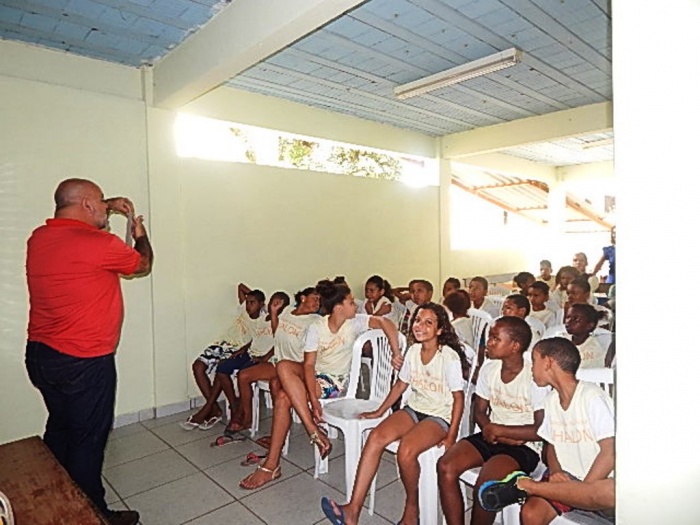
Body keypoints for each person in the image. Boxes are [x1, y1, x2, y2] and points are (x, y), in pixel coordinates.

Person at [25, 178, 153, 525]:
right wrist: (139, 234)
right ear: (86, 205)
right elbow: (142, 263)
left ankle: (55, 500)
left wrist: (108, 203)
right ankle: (93, 515)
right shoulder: (98, 243)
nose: (105, 210)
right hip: (83, 362)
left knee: (61, 429)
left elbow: (78, 207)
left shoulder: (39, 238)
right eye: (100, 203)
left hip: (41, 357)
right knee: (87, 442)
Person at [321, 303, 466, 525]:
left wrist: (451, 436)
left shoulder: (449, 357)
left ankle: (412, 507)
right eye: (417, 320)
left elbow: (459, 398)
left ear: (439, 330)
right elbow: (400, 385)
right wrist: (379, 411)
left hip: (439, 416)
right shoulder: (413, 351)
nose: (420, 326)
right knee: (375, 437)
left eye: (428, 323)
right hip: (414, 409)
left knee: (406, 451)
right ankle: (352, 510)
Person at [478, 337, 615, 524]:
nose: (531, 369)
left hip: (596, 483)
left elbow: (610, 451)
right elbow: (550, 445)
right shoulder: (551, 401)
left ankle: (527, 486)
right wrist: (556, 472)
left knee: (605, 491)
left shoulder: (591, 397)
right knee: (531, 513)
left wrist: (582, 490)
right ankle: (529, 487)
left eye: (534, 361)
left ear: (548, 362)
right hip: (565, 480)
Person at [437, 317, 549, 525]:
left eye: (496, 338)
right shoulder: (489, 369)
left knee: (485, 486)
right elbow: (479, 411)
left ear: (514, 346)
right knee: (445, 466)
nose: (488, 342)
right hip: (492, 435)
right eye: (490, 337)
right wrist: (491, 429)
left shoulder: (533, 377)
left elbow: (540, 429)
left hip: (524, 446)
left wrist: (502, 432)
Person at [277, 280, 401, 464]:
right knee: (283, 366)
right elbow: (309, 365)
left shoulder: (355, 322)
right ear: (338, 308)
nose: (355, 305)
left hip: (337, 382)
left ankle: (276, 460)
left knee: (283, 396)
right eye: (350, 302)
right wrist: (313, 400)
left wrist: (396, 352)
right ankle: (312, 429)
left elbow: (385, 322)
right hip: (317, 376)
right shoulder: (317, 327)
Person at [235, 287, 322, 485]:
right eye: (314, 298)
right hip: (278, 362)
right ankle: (247, 419)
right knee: (244, 375)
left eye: (319, 300)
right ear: (302, 298)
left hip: (295, 366)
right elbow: (277, 333)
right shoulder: (288, 313)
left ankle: (279, 438)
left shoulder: (315, 321)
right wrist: (274, 313)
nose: (317, 303)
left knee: (277, 385)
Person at [180, 284, 264, 430]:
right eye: (248, 302)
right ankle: (214, 408)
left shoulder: (262, 321)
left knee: (222, 367)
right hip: (222, 344)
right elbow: (241, 287)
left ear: (261, 304)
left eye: (252, 303)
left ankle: (207, 409)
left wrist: (262, 305)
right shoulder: (243, 310)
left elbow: (257, 341)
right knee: (197, 366)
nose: (248, 306)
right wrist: (254, 297)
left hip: (237, 349)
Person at [214, 291, 290, 429]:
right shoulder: (263, 319)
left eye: (278, 304)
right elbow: (255, 338)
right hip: (250, 352)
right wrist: (243, 349)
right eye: (272, 302)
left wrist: (265, 358)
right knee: (222, 368)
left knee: (243, 375)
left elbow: (279, 343)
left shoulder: (282, 323)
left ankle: (243, 414)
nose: (274, 305)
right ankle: (235, 403)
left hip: (263, 357)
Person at [554, 304, 606, 369]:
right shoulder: (561, 339)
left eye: (576, 319)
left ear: (589, 325)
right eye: (567, 317)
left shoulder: (594, 349)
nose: (568, 321)